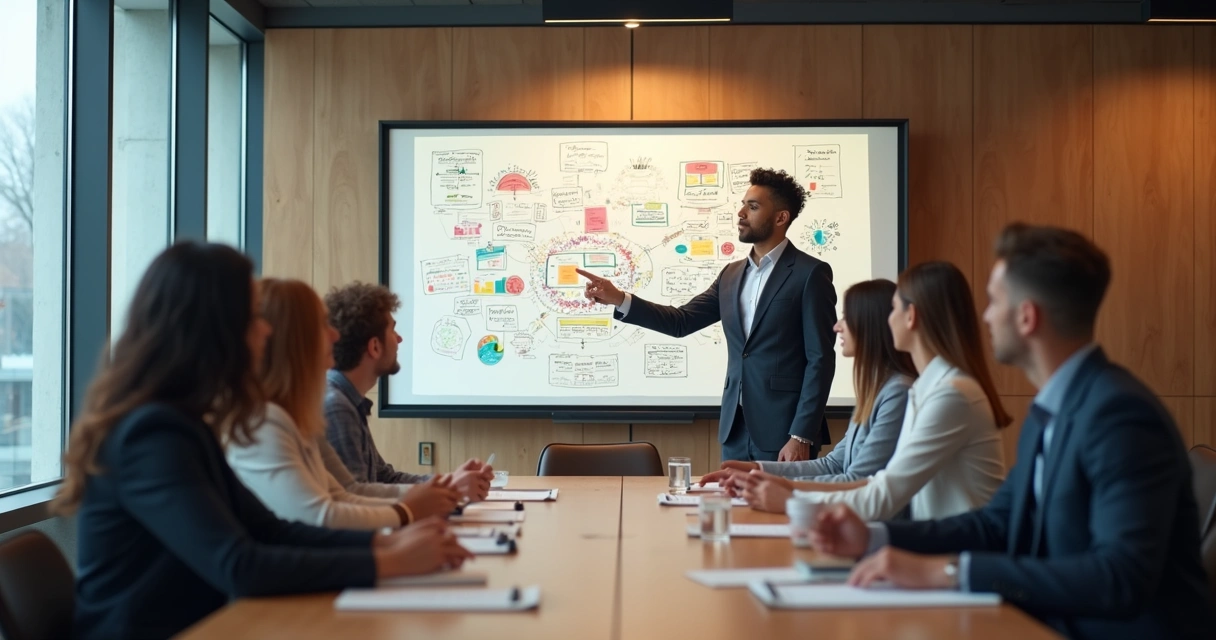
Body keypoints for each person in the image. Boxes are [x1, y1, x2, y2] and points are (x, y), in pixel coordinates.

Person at [810, 224, 1215, 640]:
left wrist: (947, 571)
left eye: (994, 301)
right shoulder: (1052, 408)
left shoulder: (1120, 415)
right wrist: (877, 535)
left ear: (1027, 318)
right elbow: (996, 523)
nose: (984, 316)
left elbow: (1119, 577)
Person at [57, 242, 471, 640]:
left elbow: (270, 530)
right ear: (216, 329)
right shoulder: (151, 436)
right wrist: (386, 558)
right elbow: (239, 565)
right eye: (253, 315)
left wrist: (388, 540)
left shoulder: (183, 423)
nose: (265, 330)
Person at [578, 167, 837, 463]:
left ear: (781, 217)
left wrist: (801, 434)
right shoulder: (731, 274)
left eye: (752, 207)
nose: (741, 213)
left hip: (785, 433)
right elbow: (681, 321)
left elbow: (820, 360)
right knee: (733, 509)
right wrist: (620, 299)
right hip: (734, 430)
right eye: (743, 204)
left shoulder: (809, 274)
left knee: (780, 511)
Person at [740, 261, 1009, 521]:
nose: (837, 326)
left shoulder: (947, 394)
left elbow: (880, 492)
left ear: (911, 316)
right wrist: (761, 472)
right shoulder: (924, 390)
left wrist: (789, 497)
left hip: (954, 554)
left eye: (893, 308)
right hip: (935, 546)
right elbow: (857, 476)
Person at [227, 278, 460, 530]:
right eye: (321, 325)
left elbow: (344, 494)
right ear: (293, 340)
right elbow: (323, 515)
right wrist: (408, 512)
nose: (334, 335)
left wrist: (432, 495)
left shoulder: (296, 415)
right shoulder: (270, 421)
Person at [700, 279, 915, 491]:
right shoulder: (875, 391)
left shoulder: (897, 393)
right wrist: (757, 469)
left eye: (847, 317)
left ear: (870, 324)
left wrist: (772, 484)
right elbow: (832, 465)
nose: (837, 326)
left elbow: (856, 480)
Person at [323, 282, 491, 499]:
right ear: (375, 347)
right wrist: (448, 489)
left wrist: (450, 481)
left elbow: (384, 478)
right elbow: (357, 499)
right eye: (392, 329)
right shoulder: (336, 407)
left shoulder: (347, 400)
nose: (399, 338)